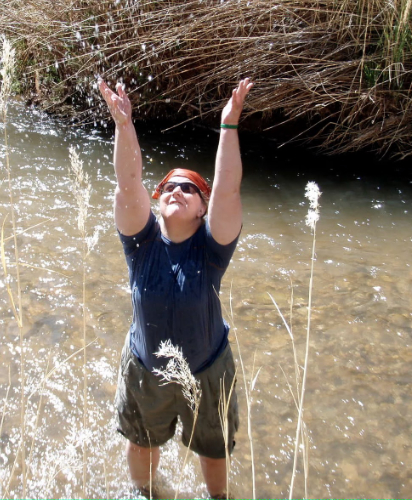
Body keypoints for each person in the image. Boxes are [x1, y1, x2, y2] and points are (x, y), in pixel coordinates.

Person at [98, 77, 254, 498]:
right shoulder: (141, 243)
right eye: (169, 186)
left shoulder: (211, 250)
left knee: (213, 448)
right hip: (146, 369)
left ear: (203, 209)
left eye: (190, 188)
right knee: (141, 442)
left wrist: (230, 124)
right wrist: (124, 124)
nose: (178, 191)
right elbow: (128, 184)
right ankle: (146, 493)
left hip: (208, 369)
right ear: (158, 199)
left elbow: (228, 189)